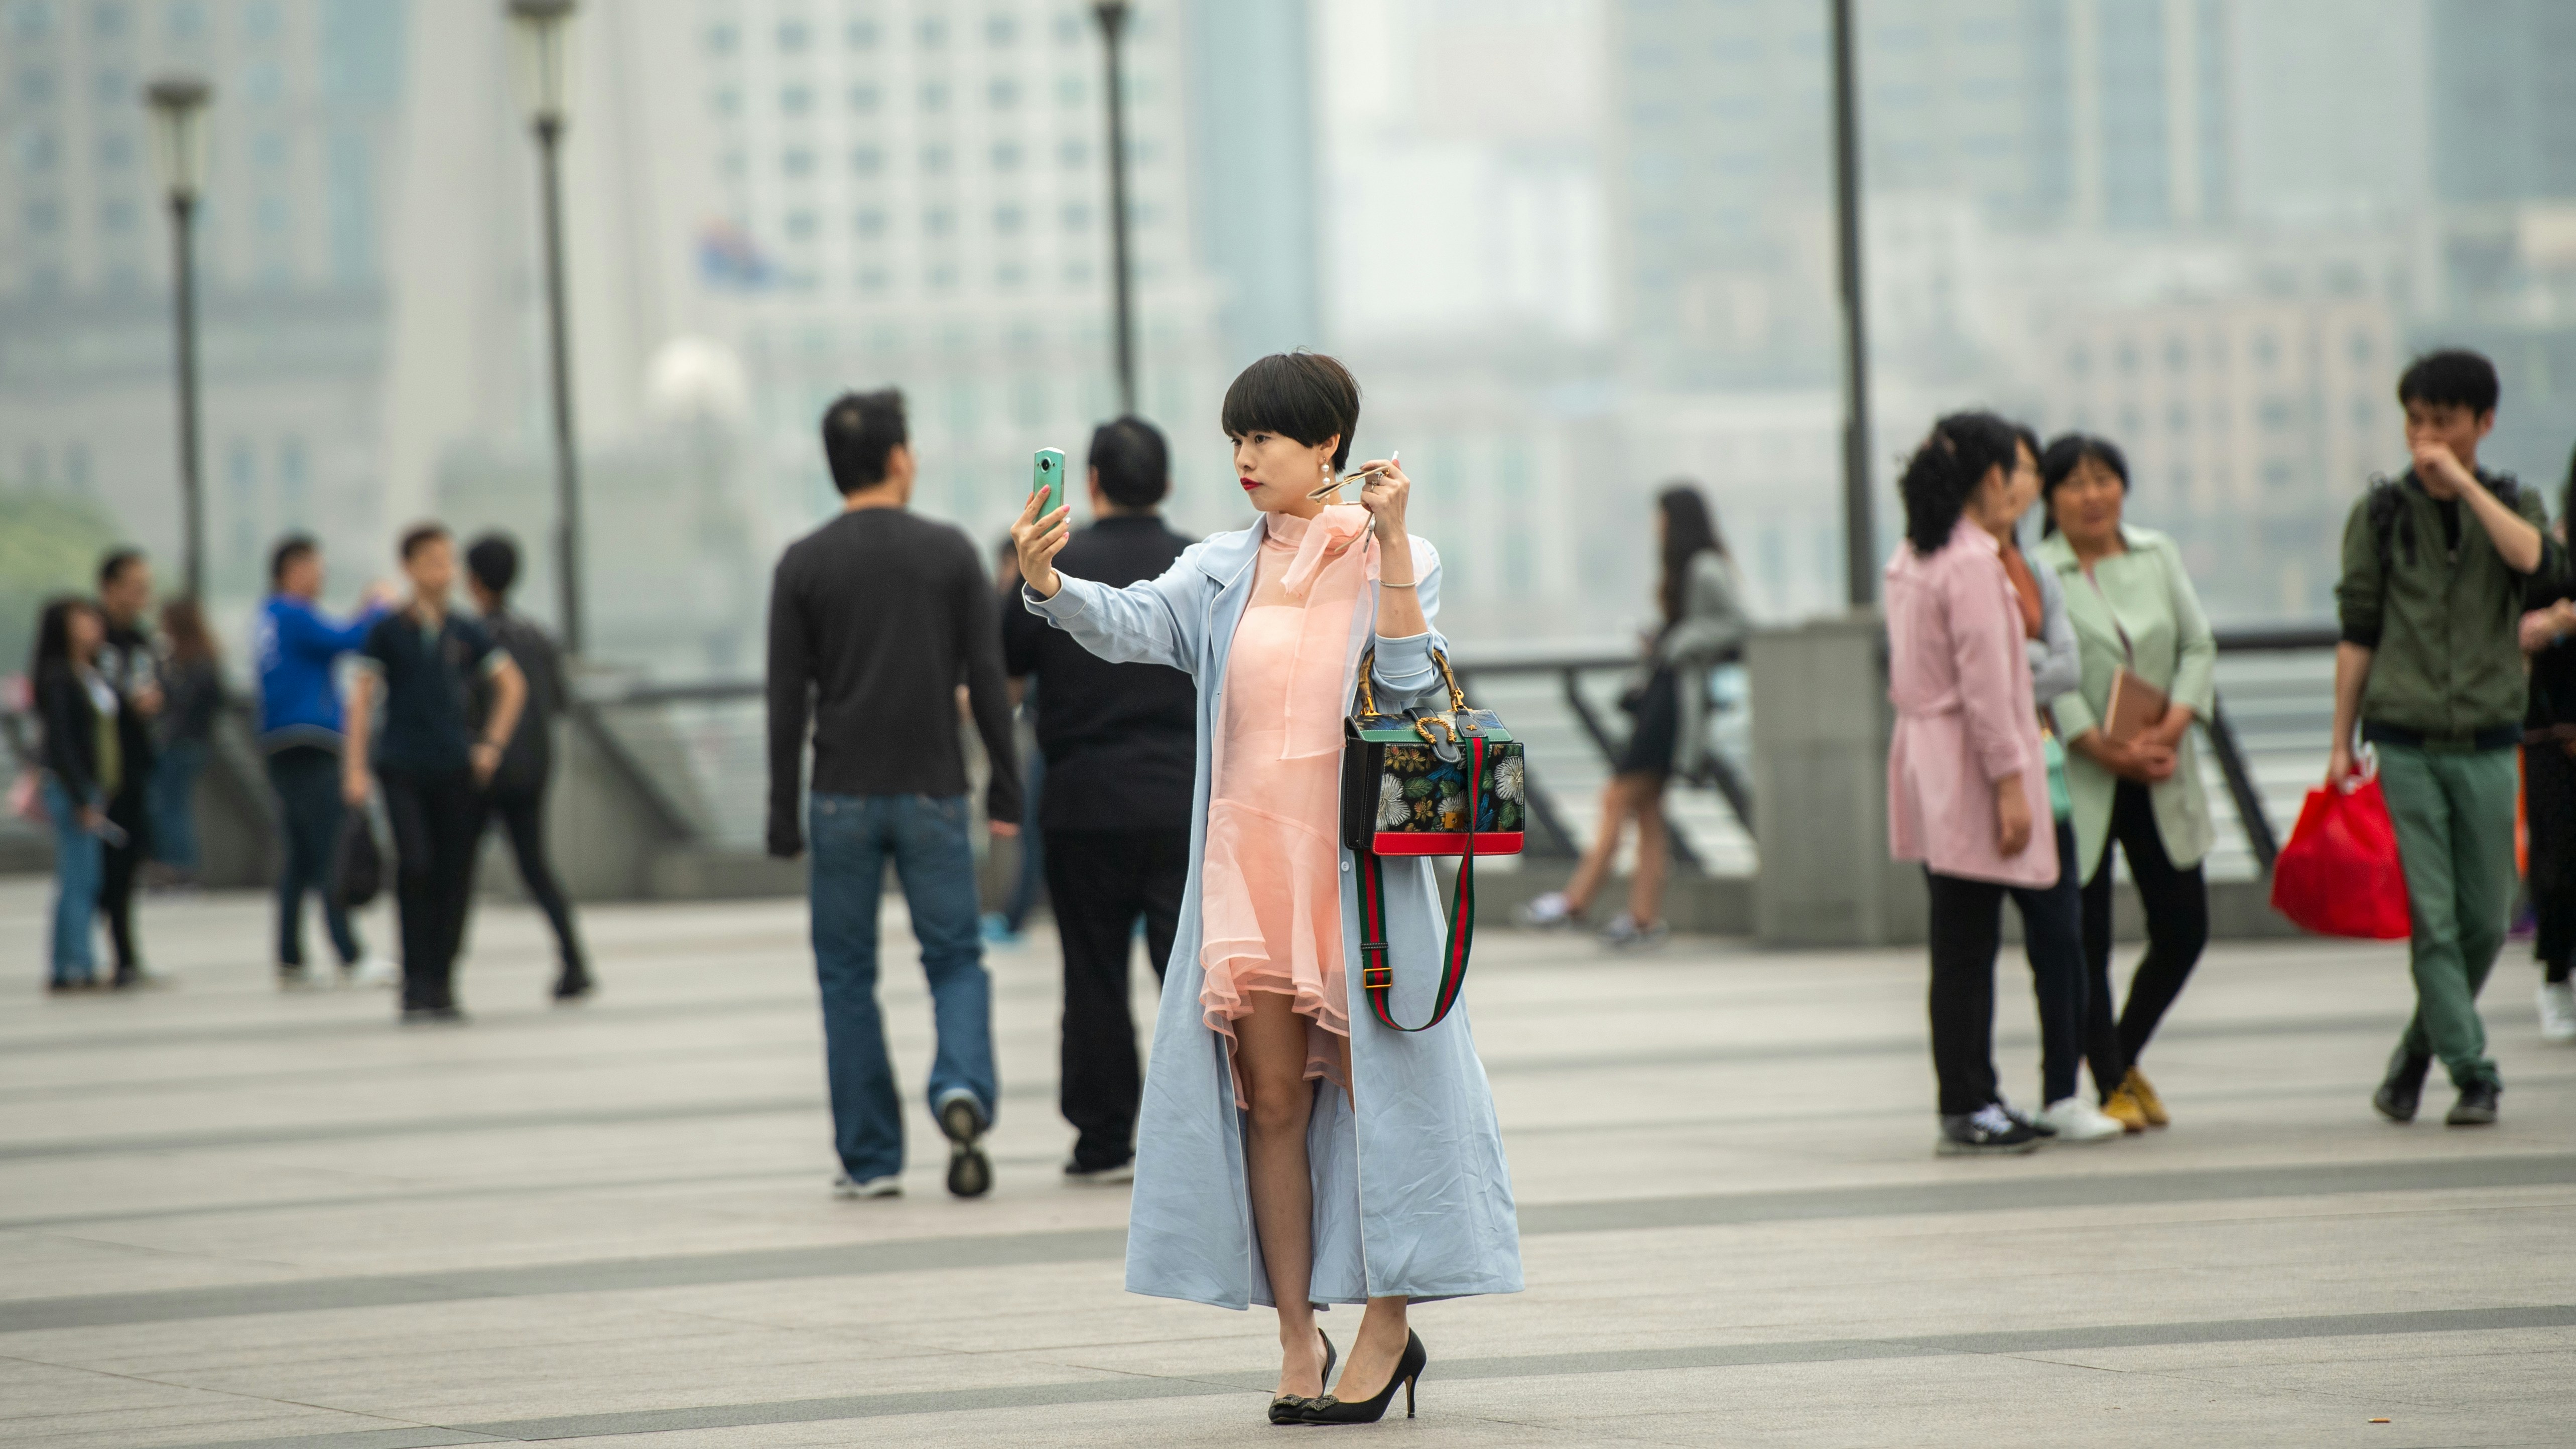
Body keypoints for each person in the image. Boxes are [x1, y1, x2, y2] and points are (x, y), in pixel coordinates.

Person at [1012, 351, 1521, 1426]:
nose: (1245, 458)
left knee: (1395, 1097)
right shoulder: (1216, 567)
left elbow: (1406, 686)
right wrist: (1048, 586)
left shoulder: (1404, 554)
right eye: (1237, 439)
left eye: (1268, 439)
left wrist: (1383, 545)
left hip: (1354, 879)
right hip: (1249, 873)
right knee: (1273, 1106)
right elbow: (1134, 624)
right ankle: (1298, 1335)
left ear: (1326, 443)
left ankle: (1387, 1326)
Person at [764, 388, 1023, 1202]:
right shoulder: (949, 553)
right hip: (934, 792)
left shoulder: (802, 562)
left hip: (838, 794)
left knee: (846, 977)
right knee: (953, 958)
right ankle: (960, 1087)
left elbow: (784, 699)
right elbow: (985, 680)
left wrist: (780, 810)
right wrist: (1007, 783)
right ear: (900, 458)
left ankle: (871, 1158)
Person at [2334, 350, 2553, 1128]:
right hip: (2406, 737)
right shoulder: (2380, 513)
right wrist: (2340, 741)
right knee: (2434, 916)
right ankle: (2475, 1070)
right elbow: (2357, 630)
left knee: (2487, 918)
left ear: (2482, 424)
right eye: (2415, 419)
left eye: (2443, 420)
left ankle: (2415, 1056)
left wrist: (2462, 485)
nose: (2425, 435)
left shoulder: (2512, 501)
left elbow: (2538, 563)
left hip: (2492, 734)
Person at [1000, 416, 1198, 1184]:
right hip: (1183, 799)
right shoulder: (1199, 565)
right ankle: (1205, 1132)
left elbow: (1002, 672)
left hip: (1082, 803)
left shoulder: (1052, 563)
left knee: (1091, 974)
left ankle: (1103, 1138)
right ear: (1168, 483)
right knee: (1187, 974)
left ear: (1088, 484)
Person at [1884, 411, 2060, 1156]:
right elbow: (1989, 687)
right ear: (1991, 477)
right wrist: (2012, 783)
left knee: (1955, 938)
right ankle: (1969, 1098)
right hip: (1967, 760)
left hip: (1927, 756)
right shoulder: (1971, 563)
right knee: (1968, 941)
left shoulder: (1914, 556)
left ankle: (1970, 1093)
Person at [2036, 434, 2220, 1131]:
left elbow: (2198, 644)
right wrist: (2098, 743)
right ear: (2049, 497)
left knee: (2183, 925)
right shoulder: (2040, 568)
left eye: (2104, 478)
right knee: (2084, 936)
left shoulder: (2156, 553)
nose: (2092, 494)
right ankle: (2112, 1079)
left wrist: (2170, 726)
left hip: (2163, 764)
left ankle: (2118, 1054)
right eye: (2075, 482)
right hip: (2085, 770)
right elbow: (2045, 666)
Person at [1520, 484, 1745, 949]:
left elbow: (1738, 625)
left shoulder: (1704, 567)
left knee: (1617, 797)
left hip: (1673, 705)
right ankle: (1642, 918)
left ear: (1676, 519)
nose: (1655, 525)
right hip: (1663, 696)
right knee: (1647, 813)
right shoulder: (1687, 568)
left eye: (1660, 516)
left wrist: (1680, 642)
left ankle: (1575, 902)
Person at [1986, 426, 2120, 1143]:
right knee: (1971, 946)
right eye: (2008, 469)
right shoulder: (1953, 565)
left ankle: (2064, 1088)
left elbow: (2065, 667)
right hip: (1980, 775)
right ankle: (1977, 1096)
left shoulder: (2033, 569)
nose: (2018, 481)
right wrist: (2022, 663)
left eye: (2028, 469)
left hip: (2050, 774)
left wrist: (2012, 664)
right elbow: (1963, 673)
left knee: (2063, 938)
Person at [344, 524, 526, 1023]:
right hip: (401, 764)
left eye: (447, 561)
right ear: (409, 567)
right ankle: (415, 980)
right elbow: (360, 699)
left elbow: (512, 685)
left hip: (454, 767)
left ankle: (444, 980)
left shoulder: (466, 630)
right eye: (431, 561)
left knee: (455, 873)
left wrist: (490, 745)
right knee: (415, 864)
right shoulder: (388, 630)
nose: (442, 571)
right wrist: (355, 768)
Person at [254, 535, 395, 988]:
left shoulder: (271, 617)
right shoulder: (294, 613)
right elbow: (351, 639)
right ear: (291, 570)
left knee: (299, 855)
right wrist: (377, 606)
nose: (321, 576)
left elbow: (334, 638)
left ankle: (290, 957)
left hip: (281, 742)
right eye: (315, 567)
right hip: (311, 740)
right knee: (329, 847)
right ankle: (349, 953)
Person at [464, 533, 592, 1001]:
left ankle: (439, 971)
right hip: (534, 768)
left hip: (483, 767)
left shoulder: (471, 637)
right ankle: (574, 960)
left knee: (457, 866)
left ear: (473, 580)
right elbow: (559, 701)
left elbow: (464, 704)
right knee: (536, 866)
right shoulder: (536, 635)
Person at [2522, 443, 2576, 1044]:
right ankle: (2555, 974)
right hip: (2550, 729)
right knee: (2558, 867)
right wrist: (2558, 621)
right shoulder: (2548, 555)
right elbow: (2513, 631)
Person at [31, 597, 113, 992]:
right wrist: (82, 795)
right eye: (83, 621)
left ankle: (69, 963)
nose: (93, 627)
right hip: (71, 787)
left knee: (80, 876)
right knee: (80, 878)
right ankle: (76, 964)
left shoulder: (89, 672)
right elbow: (62, 742)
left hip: (85, 784)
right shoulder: (60, 676)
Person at [94, 550, 160, 986]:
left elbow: (157, 686)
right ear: (110, 588)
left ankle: (127, 958)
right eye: (135, 586)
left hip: (136, 766)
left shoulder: (142, 640)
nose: (143, 596)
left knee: (129, 864)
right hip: (101, 773)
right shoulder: (91, 638)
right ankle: (83, 958)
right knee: (101, 869)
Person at [983, 536, 1047, 945]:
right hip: (1036, 733)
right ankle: (1015, 915)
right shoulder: (1005, 605)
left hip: (1047, 736)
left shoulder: (1034, 602)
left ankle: (1016, 916)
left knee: (1033, 828)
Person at [147, 596, 222, 888]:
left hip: (180, 742)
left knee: (170, 806)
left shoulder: (191, 665)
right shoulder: (204, 660)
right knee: (174, 805)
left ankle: (178, 867)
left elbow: (178, 703)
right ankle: (179, 866)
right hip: (195, 741)